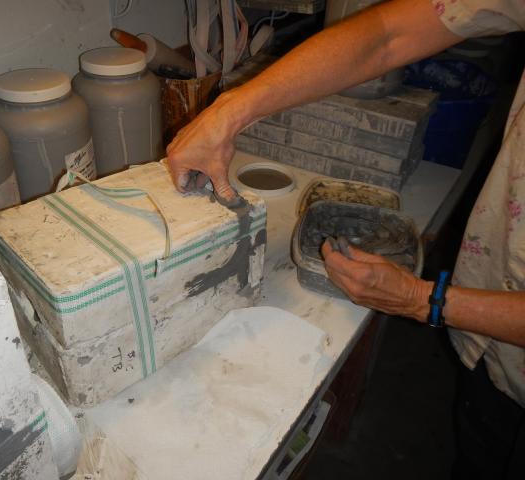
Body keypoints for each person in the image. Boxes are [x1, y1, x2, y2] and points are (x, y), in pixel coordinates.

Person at [166, 0, 525, 477]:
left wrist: (423, 300)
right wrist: (227, 112)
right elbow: (387, 34)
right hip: (492, 338)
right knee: (481, 445)